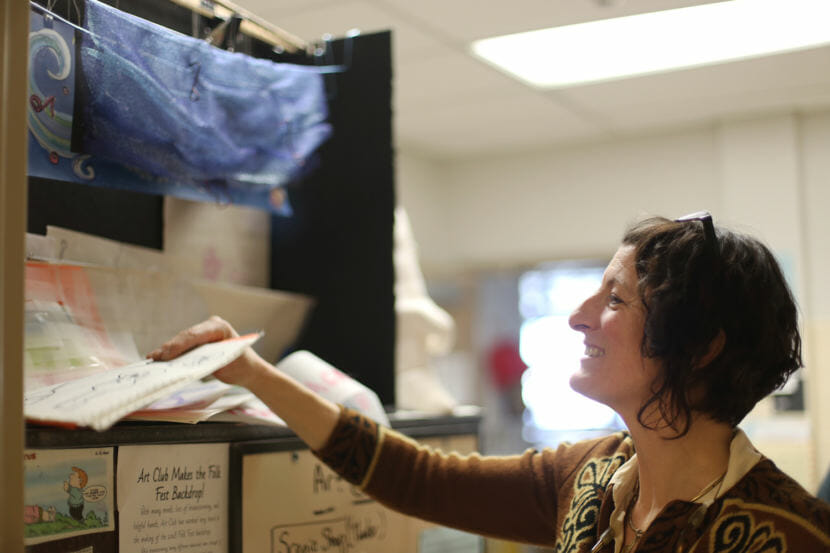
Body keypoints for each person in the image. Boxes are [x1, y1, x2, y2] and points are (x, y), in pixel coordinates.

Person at [149, 212, 830, 552]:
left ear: (701, 348)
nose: (578, 316)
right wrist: (252, 372)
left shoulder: (789, 534)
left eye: (616, 299)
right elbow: (413, 477)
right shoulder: (590, 474)